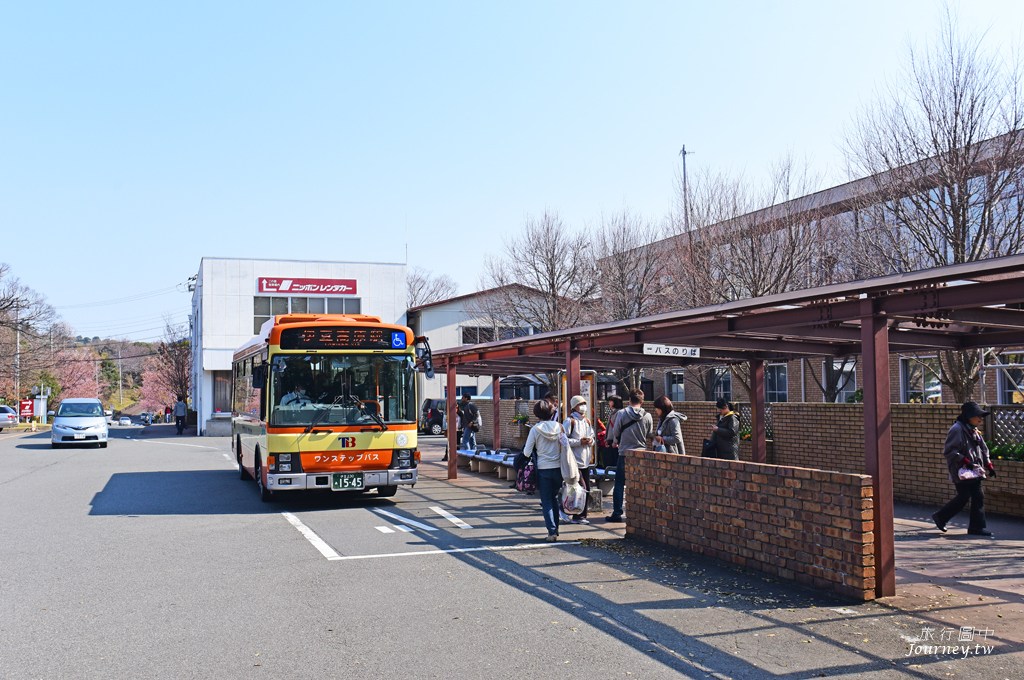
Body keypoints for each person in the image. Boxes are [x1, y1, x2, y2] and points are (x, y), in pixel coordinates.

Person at [932, 401, 996, 537]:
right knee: (964, 496)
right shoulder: (957, 429)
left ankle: (976, 528)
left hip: (975, 470)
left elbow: (983, 449)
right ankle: (940, 517)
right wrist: (967, 462)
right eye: (977, 416)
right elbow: (950, 451)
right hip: (962, 471)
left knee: (978, 496)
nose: (980, 419)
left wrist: (988, 464)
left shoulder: (973, 429)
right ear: (968, 416)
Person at [523, 399, 579, 541]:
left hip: (543, 469)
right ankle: (556, 529)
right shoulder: (560, 427)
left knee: (546, 500)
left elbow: (526, 452)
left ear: (537, 414)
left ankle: (552, 532)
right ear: (551, 412)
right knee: (554, 498)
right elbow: (565, 446)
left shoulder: (535, 429)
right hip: (559, 469)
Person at [606, 388, 653, 523]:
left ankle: (617, 513)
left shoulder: (621, 413)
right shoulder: (647, 416)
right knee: (640, 483)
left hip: (624, 453)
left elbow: (616, 432)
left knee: (619, 483)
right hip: (641, 454)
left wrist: (616, 442)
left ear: (629, 400)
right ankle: (641, 512)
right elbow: (649, 434)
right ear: (642, 401)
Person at [562, 395, 595, 524]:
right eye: (580, 403)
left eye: (584, 403)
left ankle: (580, 515)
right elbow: (563, 440)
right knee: (578, 488)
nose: (583, 406)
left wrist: (590, 441)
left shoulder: (587, 421)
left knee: (584, 489)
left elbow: (592, 436)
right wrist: (579, 442)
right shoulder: (570, 421)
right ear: (574, 406)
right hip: (573, 461)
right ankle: (569, 512)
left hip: (585, 460)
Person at [601, 395, 623, 469]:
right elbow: (608, 427)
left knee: (614, 461)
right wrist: (606, 438)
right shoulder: (612, 413)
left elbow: (617, 428)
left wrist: (615, 441)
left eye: (610, 401)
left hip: (615, 442)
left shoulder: (619, 413)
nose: (609, 403)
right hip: (610, 440)